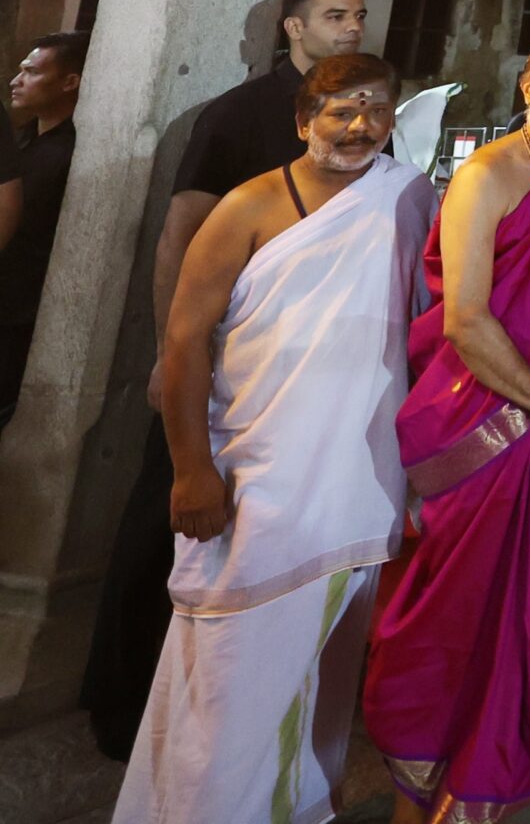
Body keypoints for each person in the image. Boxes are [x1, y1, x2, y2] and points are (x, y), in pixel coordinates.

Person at [115, 56, 433, 824]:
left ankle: (295, 809)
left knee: (323, 674)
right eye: (339, 111)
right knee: (227, 673)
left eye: (376, 111)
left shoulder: (408, 194)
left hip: (359, 476)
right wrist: (192, 470)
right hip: (254, 474)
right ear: (303, 121)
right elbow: (186, 344)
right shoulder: (247, 206)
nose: (359, 127)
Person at [85, 0, 367, 758]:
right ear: (292, 28)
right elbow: (182, 229)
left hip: (305, 373)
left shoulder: (366, 118)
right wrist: (179, 346)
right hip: (219, 353)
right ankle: (119, 700)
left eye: (359, 16)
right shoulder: (242, 112)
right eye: (335, 16)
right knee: (165, 519)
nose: (351, 27)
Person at [364, 31, 530, 824]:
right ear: (528, 86)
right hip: (489, 424)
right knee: (455, 607)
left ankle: (487, 784)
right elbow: (466, 320)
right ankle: (416, 790)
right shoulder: (486, 174)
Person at [0, 31, 85, 426]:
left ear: (70, 81)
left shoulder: (70, 153)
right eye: (19, 70)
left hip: (18, 315)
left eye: (32, 72)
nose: (16, 80)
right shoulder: (23, 140)